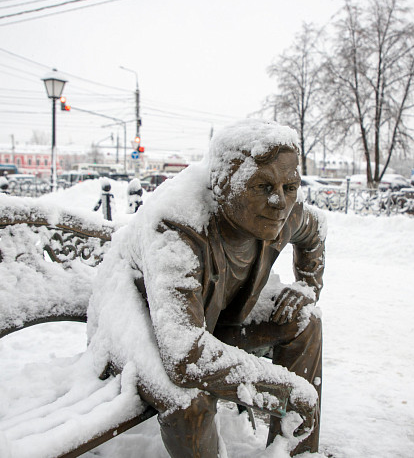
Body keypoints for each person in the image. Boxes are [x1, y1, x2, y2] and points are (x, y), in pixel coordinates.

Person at [87, 119, 326, 457]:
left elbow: (315, 232)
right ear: (224, 184)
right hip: (139, 329)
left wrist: (308, 285)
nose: (280, 201)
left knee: (305, 320)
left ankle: (297, 451)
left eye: (289, 187)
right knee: (189, 401)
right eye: (262, 186)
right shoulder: (177, 229)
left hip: (209, 326)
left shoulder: (285, 213)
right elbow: (184, 357)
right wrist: (287, 391)